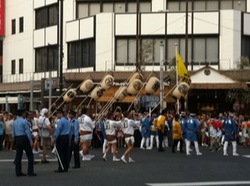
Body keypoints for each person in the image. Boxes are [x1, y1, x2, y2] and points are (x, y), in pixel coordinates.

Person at [13, 109, 37, 176]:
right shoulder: (24, 121)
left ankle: (18, 171)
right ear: (23, 113)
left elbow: (13, 132)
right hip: (24, 138)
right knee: (30, 155)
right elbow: (28, 132)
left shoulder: (15, 122)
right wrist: (31, 142)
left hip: (17, 138)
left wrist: (14, 140)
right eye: (25, 113)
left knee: (18, 155)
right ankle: (30, 171)